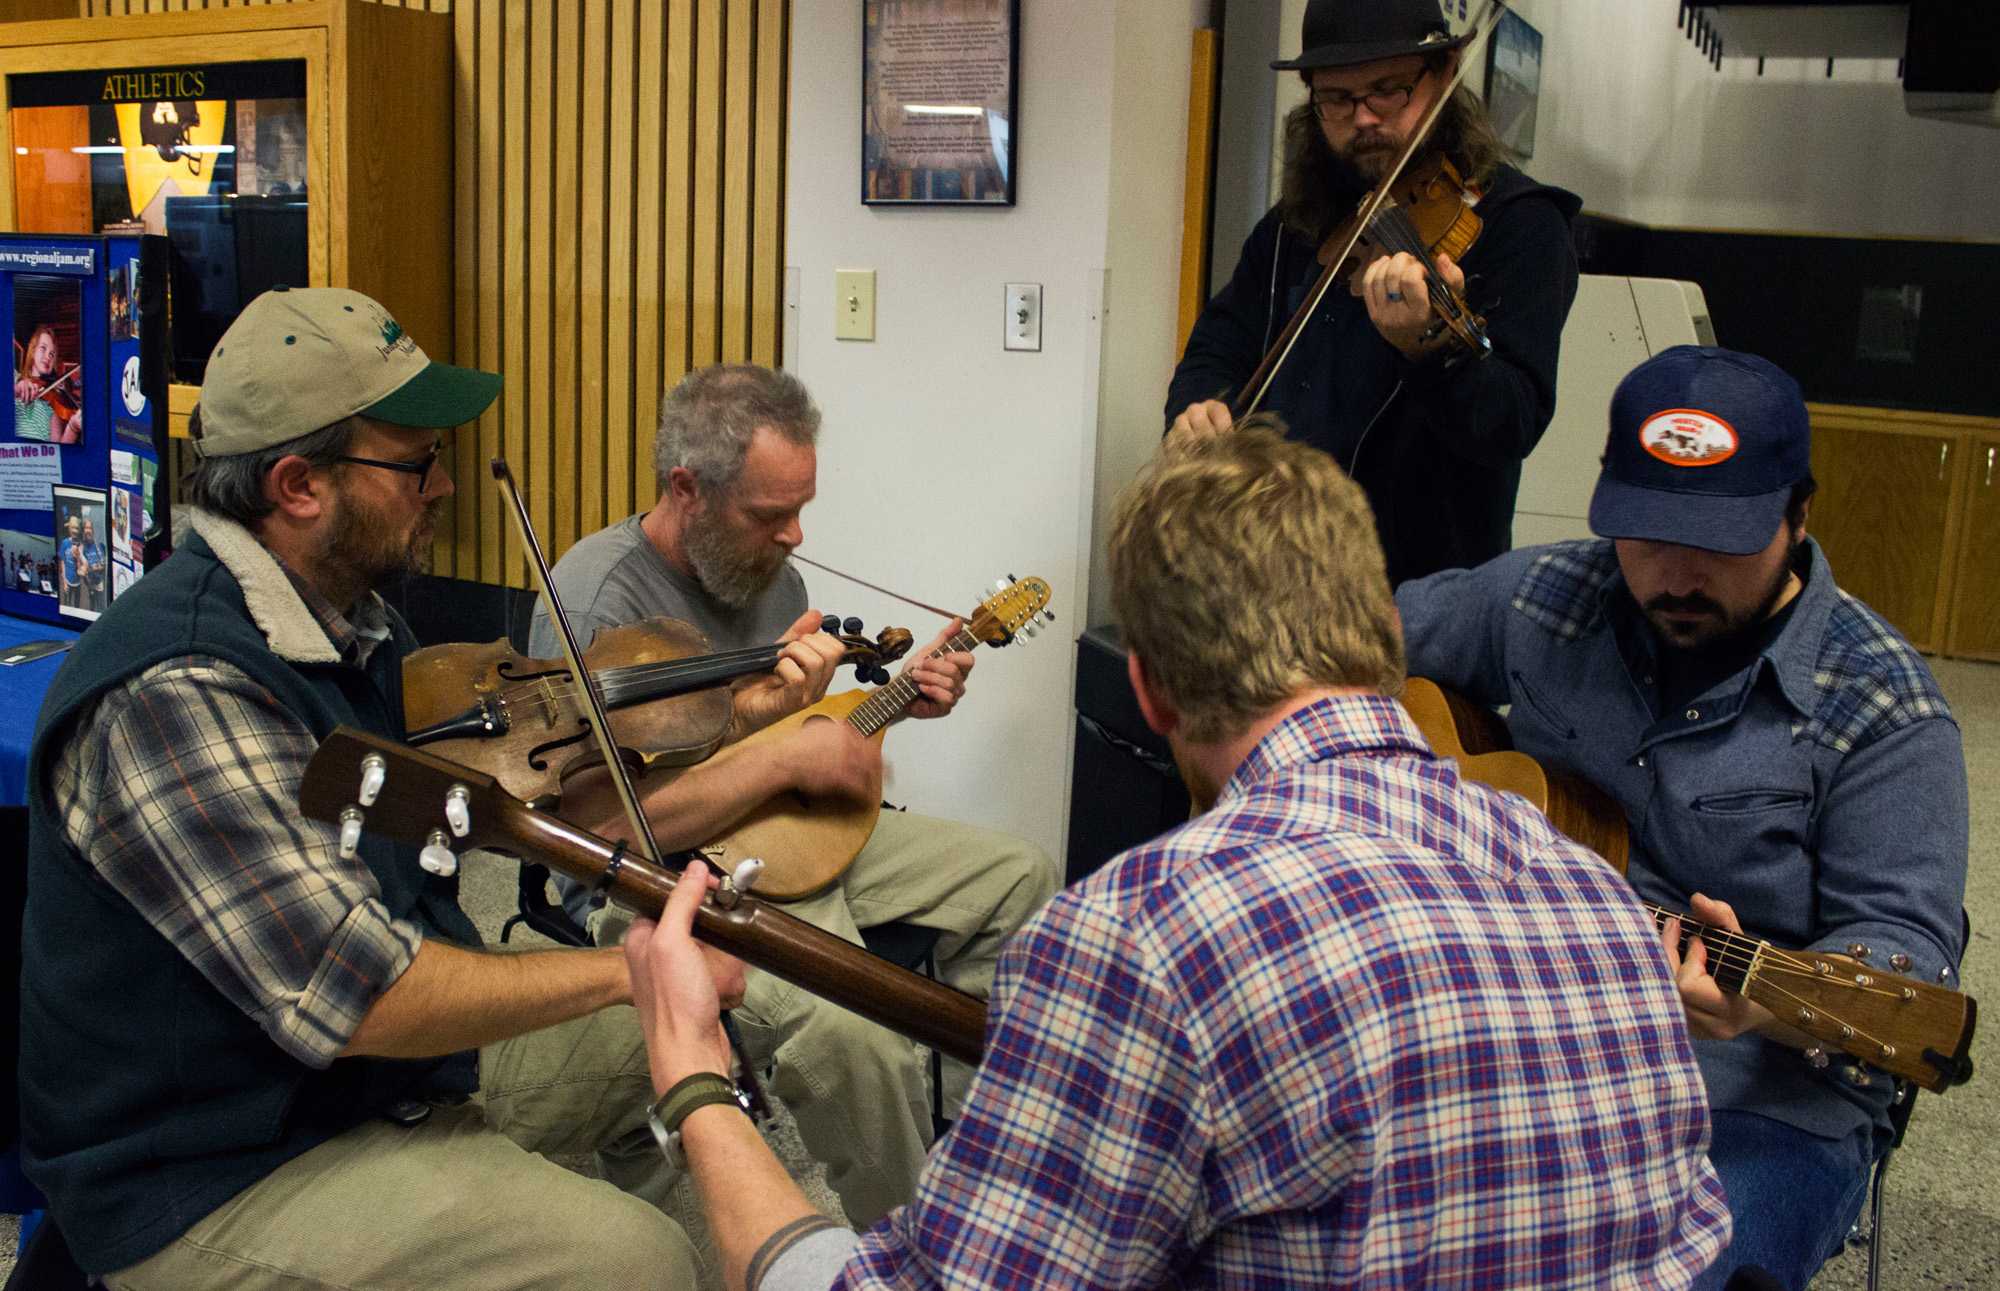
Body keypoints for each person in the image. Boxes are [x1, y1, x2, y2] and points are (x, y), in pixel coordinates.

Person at [619, 424, 1732, 1290]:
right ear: (1379, 635)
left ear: (1145, 688)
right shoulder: (1590, 888)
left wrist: (696, 1075)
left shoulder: (1140, 933)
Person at [20, 286, 717, 1288]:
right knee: (632, 1259)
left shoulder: (354, 625)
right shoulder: (178, 687)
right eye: (415, 461)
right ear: (299, 485)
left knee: (681, 1046)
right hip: (214, 1170)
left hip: (347, 1089)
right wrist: (630, 967)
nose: (442, 485)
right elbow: (363, 995)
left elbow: (453, 826)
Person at [1396, 346, 1970, 1290]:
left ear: (1798, 514)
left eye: (1718, 541)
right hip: (1519, 1029)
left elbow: (1901, 957)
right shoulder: (1551, 596)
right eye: (1648, 534)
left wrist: (1760, 1007)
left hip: (1762, 1098)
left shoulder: (1885, 710)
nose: (1674, 575)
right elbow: (1353, 640)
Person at [528, 362, 1059, 1228]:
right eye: (771, 515)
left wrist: (888, 714)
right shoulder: (596, 603)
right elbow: (597, 828)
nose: (796, 537)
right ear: (686, 489)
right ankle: (910, 1250)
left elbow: (787, 738)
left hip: (796, 838)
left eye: (802, 508)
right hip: (669, 880)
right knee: (861, 1042)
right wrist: (781, 760)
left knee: (1021, 879)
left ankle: (972, 1150)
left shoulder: (775, 580)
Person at [1166, 0, 1580, 586]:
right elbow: (1218, 345)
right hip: (1266, 573)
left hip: (1415, 595)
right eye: (1337, 99)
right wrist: (1196, 407)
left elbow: (1510, 424)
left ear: (1442, 75)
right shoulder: (1296, 226)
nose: (1362, 119)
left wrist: (1428, 346)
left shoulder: (1520, 227)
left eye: (1387, 91)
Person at [14, 322, 83, 444]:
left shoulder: (52, 406)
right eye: (43, 348)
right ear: (32, 350)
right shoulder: (14, 378)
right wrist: (16, 389)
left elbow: (58, 447)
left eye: (52, 354)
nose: (48, 357)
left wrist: (72, 427)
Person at [78, 516, 106, 612]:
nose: (88, 530)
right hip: (86, 588)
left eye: (89, 528)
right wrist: (92, 567)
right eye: (86, 528)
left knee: (101, 609)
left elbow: (103, 565)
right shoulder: (80, 548)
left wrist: (91, 567)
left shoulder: (99, 546)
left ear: (92, 530)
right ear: (82, 531)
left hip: (99, 585)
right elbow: (80, 569)